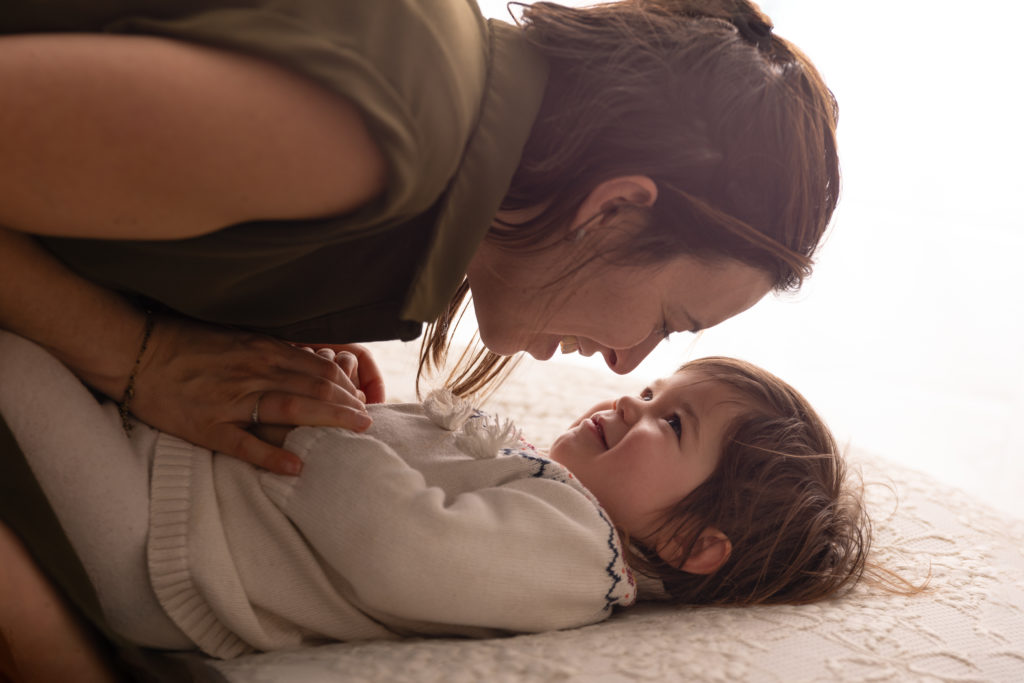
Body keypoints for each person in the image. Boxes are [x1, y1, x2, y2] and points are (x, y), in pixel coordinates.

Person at [0, 0, 840, 677]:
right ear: (614, 209)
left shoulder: (415, 199)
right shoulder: (373, 134)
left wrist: (268, 353)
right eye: (667, 321)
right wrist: (139, 356)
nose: (626, 362)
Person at [1, 333, 870, 673]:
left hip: (167, 542)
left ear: (694, 547)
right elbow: (408, 468)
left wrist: (320, 421)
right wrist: (352, 396)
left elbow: (399, 545)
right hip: (180, 477)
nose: (630, 402)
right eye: (650, 388)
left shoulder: (579, 557)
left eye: (671, 422)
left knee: (18, 366)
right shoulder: (554, 491)